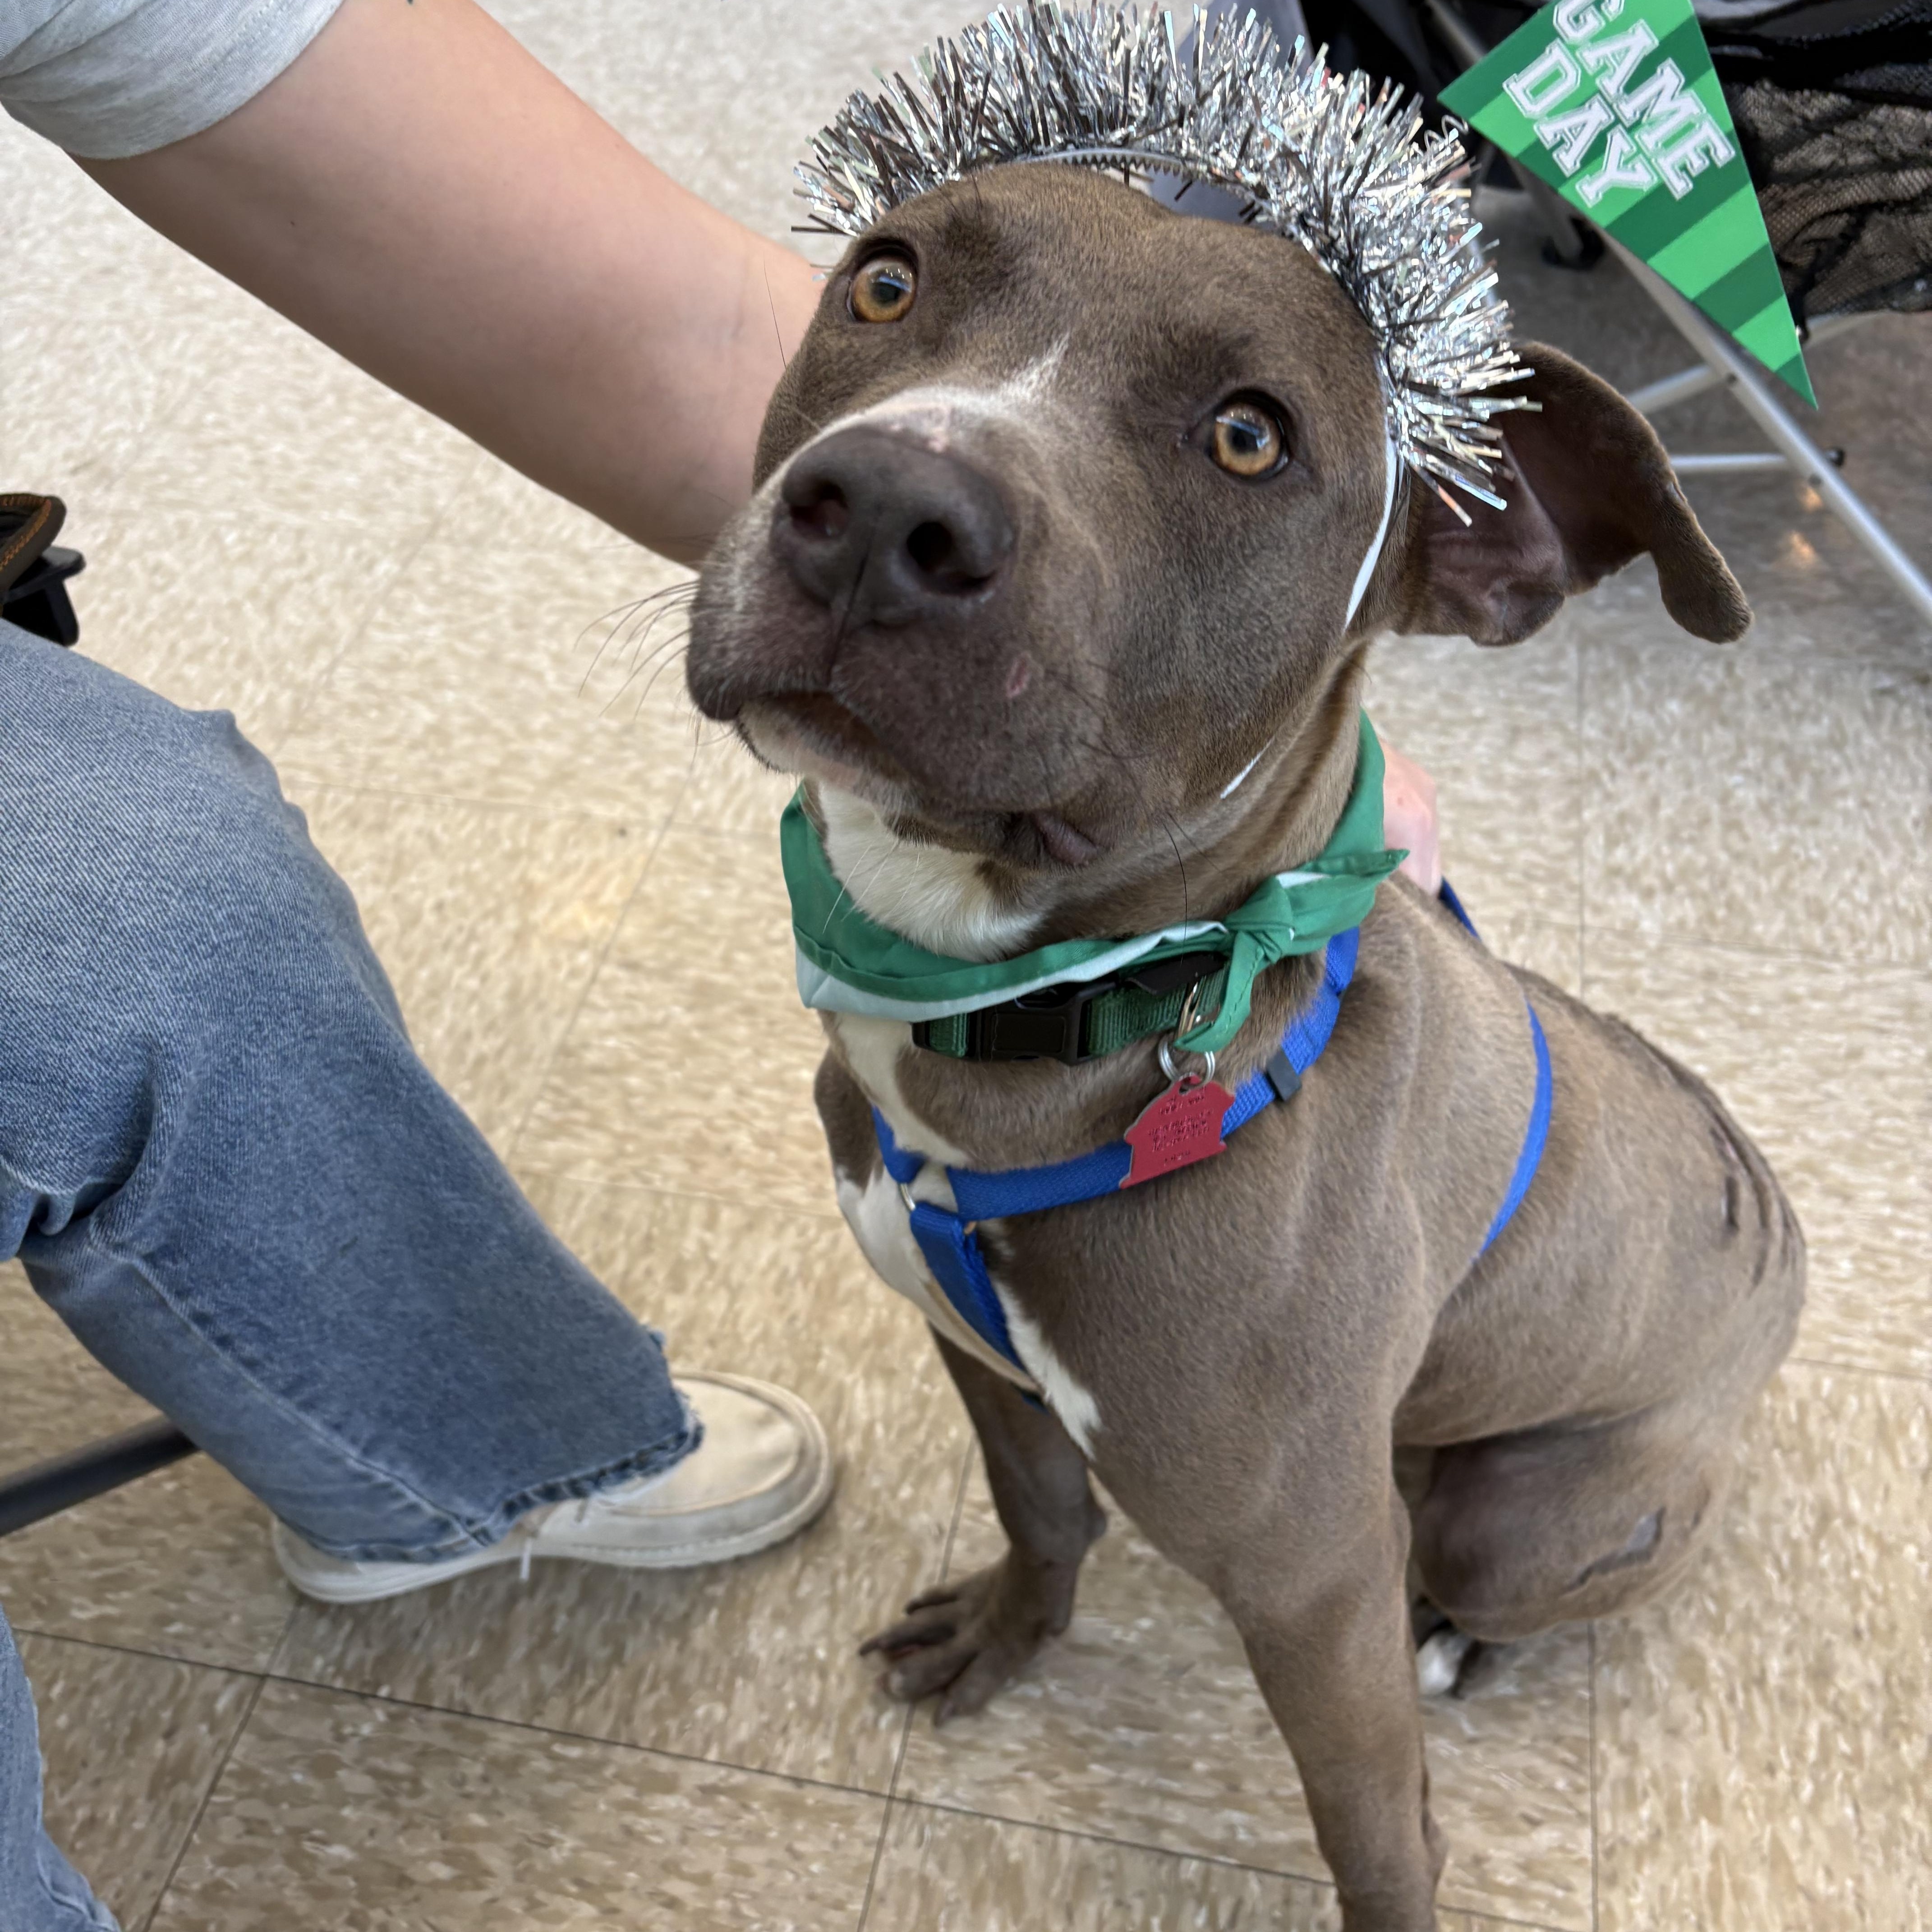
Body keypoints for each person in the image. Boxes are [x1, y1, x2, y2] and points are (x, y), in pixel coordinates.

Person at [0, 3, 1441, 1925]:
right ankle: (1021, 1565)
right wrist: (1040, 1580)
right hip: (996, 1078)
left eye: (1241, 436)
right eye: (898, 290)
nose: (911, 472)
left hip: (1519, 1451)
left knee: (170, 906)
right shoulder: (898, 973)